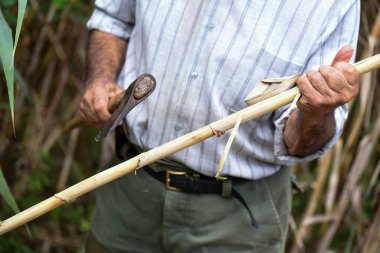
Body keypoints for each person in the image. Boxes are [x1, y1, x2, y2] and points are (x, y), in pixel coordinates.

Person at [79, 1, 360, 252]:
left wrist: (317, 111)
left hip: (236, 220)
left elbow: (299, 141)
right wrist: (100, 79)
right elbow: (113, 19)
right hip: (129, 189)